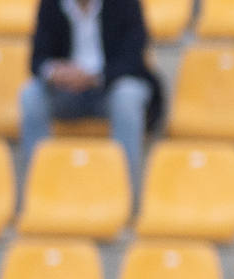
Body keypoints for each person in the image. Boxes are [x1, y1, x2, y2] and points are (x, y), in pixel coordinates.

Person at [19, 0, 165, 197]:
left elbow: (134, 58)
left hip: (110, 88)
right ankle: (37, 189)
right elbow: (38, 59)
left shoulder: (125, 4)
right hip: (67, 92)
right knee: (31, 95)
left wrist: (95, 77)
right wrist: (56, 72)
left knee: (127, 97)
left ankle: (125, 192)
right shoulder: (51, 4)